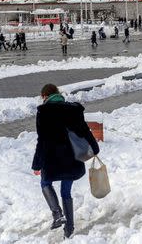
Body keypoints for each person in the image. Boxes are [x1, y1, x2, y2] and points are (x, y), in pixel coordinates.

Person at [32, 84, 100, 237]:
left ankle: (57, 214)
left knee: (45, 182)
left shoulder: (43, 113)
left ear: (44, 96)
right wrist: (94, 148)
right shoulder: (73, 110)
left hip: (52, 160)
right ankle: (69, 229)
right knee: (66, 191)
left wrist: (37, 164)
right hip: (72, 159)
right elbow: (85, 131)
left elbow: (42, 140)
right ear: (58, 94)